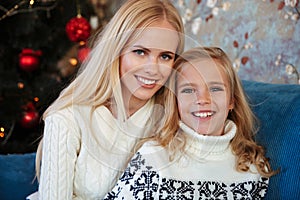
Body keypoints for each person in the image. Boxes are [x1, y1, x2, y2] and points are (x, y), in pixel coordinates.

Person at [29, 0, 185, 199]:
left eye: (165, 56)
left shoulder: (173, 118)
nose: (152, 69)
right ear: (116, 51)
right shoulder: (68, 116)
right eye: (140, 52)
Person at [103, 47, 277, 199]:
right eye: (188, 90)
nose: (202, 99)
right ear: (176, 102)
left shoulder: (254, 167)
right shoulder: (153, 156)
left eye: (215, 89)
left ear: (231, 100)